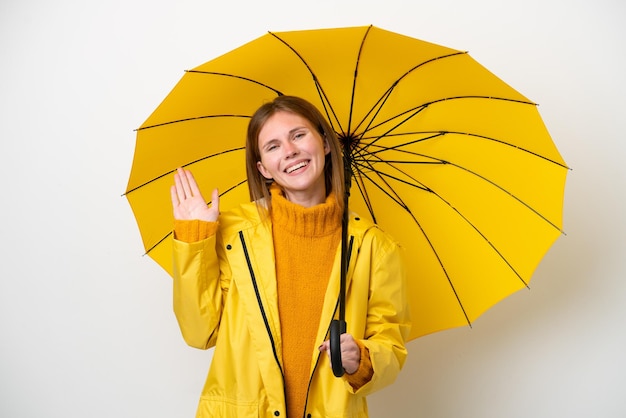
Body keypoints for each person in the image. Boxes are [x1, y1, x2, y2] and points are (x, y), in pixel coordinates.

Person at [170, 96, 410, 418]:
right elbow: (201, 332)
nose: (289, 150)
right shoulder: (234, 235)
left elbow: (391, 345)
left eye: (298, 135)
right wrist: (196, 238)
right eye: (272, 146)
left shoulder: (374, 247)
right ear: (263, 168)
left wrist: (362, 358)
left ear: (324, 144)